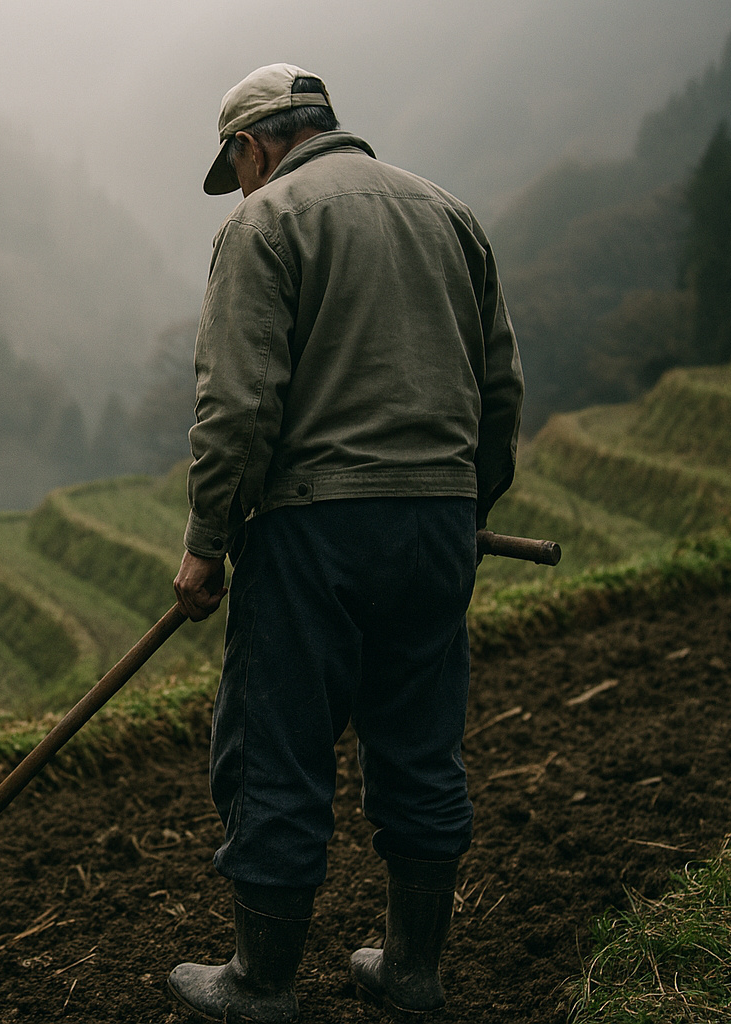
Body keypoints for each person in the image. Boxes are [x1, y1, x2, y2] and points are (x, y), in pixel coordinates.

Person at [166, 64, 524, 1022]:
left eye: (237, 166)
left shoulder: (265, 223)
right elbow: (501, 387)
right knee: (420, 744)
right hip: (439, 521)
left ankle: (261, 983)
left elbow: (236, 404)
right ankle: (412, 972)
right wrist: (469, 506)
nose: (242, 185)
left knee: (278, 748)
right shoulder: (449, 214)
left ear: (253, 145)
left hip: (314, 529)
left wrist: (206, 542)